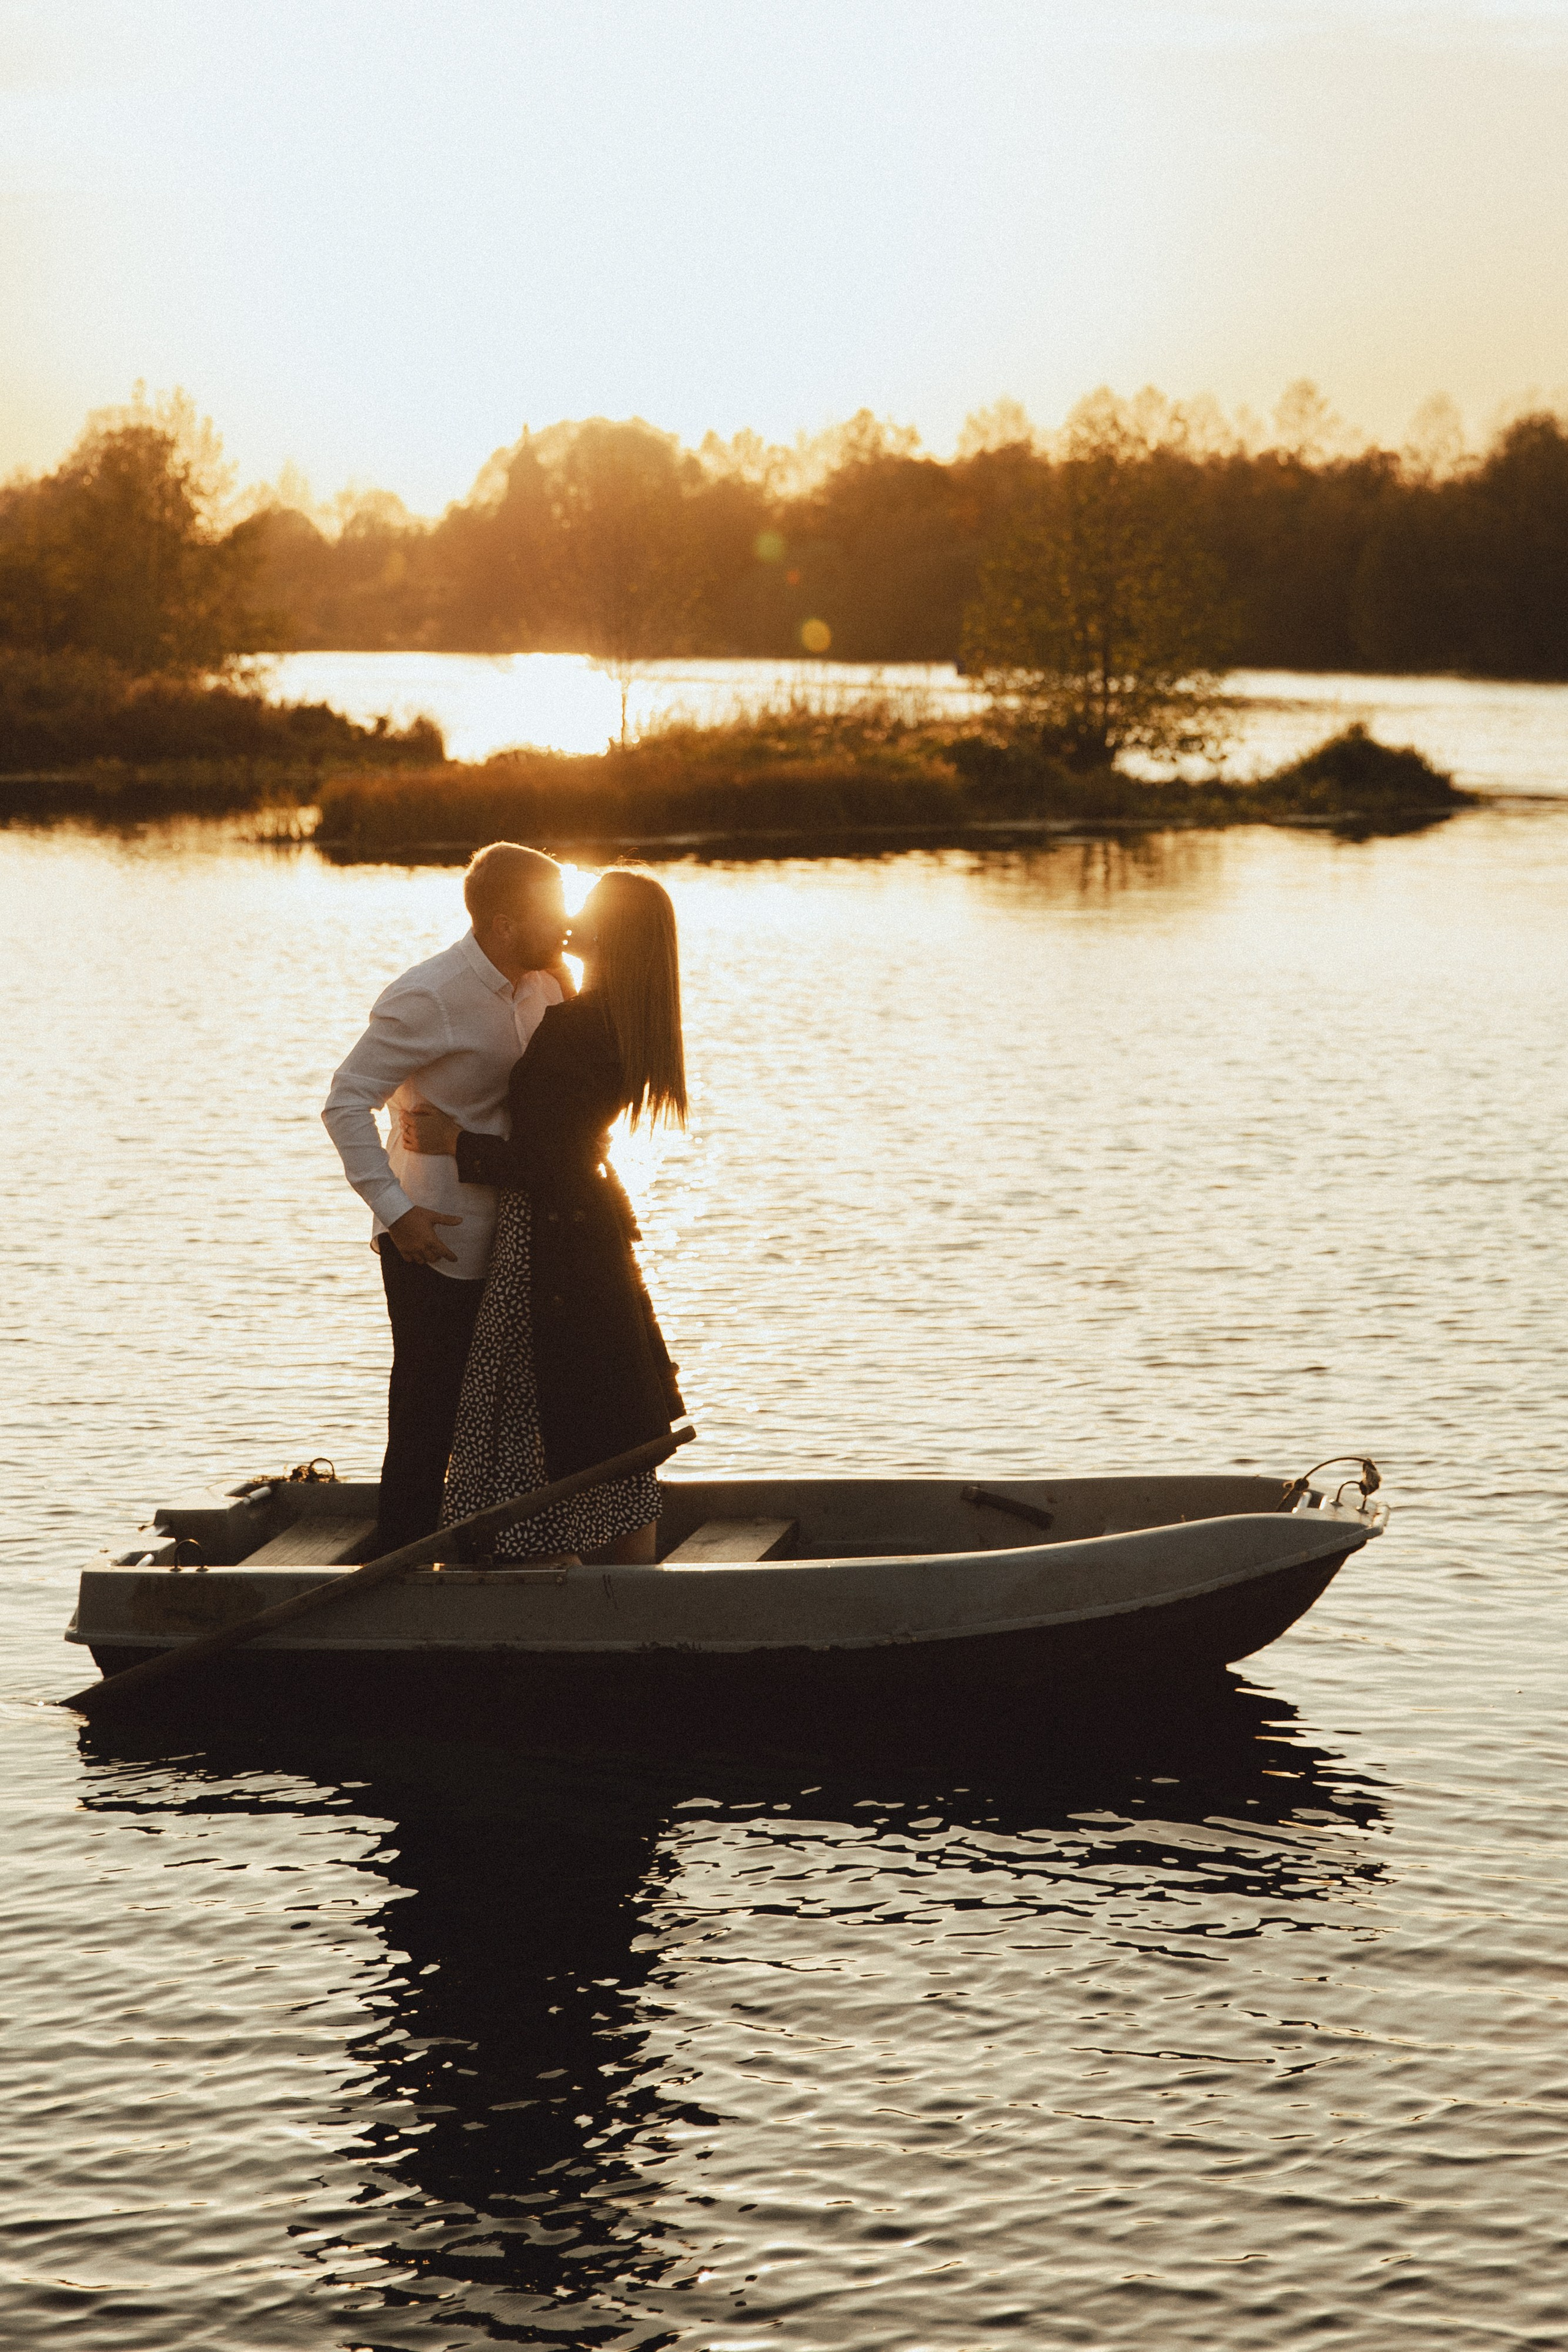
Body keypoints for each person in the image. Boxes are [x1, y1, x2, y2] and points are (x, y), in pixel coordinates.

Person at [398, 867, 687, 1566]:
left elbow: (543, 1161)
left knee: (526, 1415)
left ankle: (535, 1566)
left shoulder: (575, 1028)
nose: (568, 914)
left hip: (549, 1237)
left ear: (609, 933)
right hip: (590, 1228)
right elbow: (565, 1149)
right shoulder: (620, 1016)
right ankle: (622, 1576)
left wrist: (455, 1143)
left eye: (585, 907)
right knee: (603, 1410)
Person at [322, 843, 572, 1552]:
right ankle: (399, 1552)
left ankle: (496, 1542)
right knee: (429, 1400)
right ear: (501, 922)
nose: (565, 924)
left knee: (509, 1404)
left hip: (519, 1227)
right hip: (433, 1238)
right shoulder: (426, 996)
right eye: (551, 912)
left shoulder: (545, 985)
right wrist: (395, 1213)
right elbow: (346, 1102)